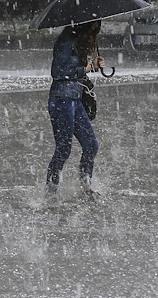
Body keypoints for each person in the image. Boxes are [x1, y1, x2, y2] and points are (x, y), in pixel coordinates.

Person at [46, 20, 105, 199]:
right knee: (63, 148)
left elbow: (76, 70)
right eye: (93, 26)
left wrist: (92, 66)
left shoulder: (78, 41)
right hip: (61, 99)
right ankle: (50, 193)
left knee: (91, 145)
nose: (95, 30)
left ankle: (86, 188)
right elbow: (57, 72)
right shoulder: (65, 41)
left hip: (75, 99)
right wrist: (84, 68)